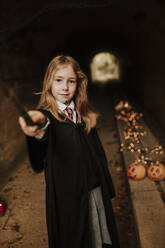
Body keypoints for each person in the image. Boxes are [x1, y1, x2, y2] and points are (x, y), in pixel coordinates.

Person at [18, 55, 120, 248]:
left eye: (70, 81)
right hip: (69, 197)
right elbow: (44, 128)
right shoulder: (49, 117)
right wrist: (38, 126)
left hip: (95, 190)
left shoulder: (84, 115)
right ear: (49, 82)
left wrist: (106, 186)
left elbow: (98, 153)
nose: (65, 87)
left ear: (78, 83)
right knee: (76, 237)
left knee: (100, 237)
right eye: (58, 80)